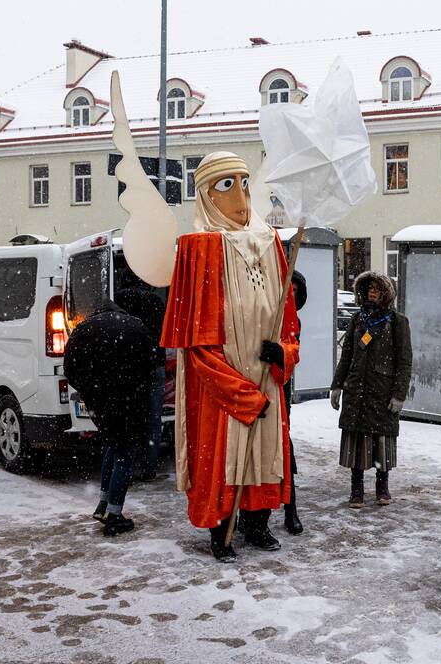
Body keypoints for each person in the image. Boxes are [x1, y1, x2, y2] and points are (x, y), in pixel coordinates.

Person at [159, 151, 300, 562]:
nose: (240, 194)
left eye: (243, 181)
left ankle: (258, 524)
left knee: (264, 455)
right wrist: (240, 393)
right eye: (226, 184)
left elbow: (289, 324)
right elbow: (196, 345)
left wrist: (283, 354)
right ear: (205, 194)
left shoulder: (271, 241)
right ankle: (223, 529)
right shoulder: (199, 248)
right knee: (223, 459)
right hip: (222, 389)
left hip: (266, 377)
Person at [63, 299, 155, 537]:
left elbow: (70, 369)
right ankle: (114, 516)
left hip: (100, 402)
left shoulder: (83, 330)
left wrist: (89, 390)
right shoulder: (136, 326)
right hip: (128, 400)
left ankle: (103, 504)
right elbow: (151, 366)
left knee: (113, 446)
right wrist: (136, 390)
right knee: (125, 452)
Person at [330, 271, 412, 509]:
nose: (372, 292)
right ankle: (356, 490)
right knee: (356, 440)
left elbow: (404, 361)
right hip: (356, 390)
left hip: (382, 391)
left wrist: (399, 394)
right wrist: (337, 385)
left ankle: (382, 488)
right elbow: (346, 356)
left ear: (386, 294)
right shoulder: (357, 320)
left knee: (381, 441)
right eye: (369, 289)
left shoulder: (397, 322)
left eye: (377, 289)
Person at [115, 270, 168, 482]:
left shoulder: (118, 299)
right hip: (154, 364)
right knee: (153, 418)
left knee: (129, 415)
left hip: (130, 366)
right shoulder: (156, 301)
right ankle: (150, 467)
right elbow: (165, 331)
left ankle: (125, 465)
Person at [283, 269, 307, 534]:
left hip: (280, 392)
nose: (291, 293)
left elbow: (292, 356)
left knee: (284, 450)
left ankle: (291, 508)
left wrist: (280, 354)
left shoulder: (294, 321)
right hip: (256, 388)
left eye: (296, 290)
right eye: (288, 288)